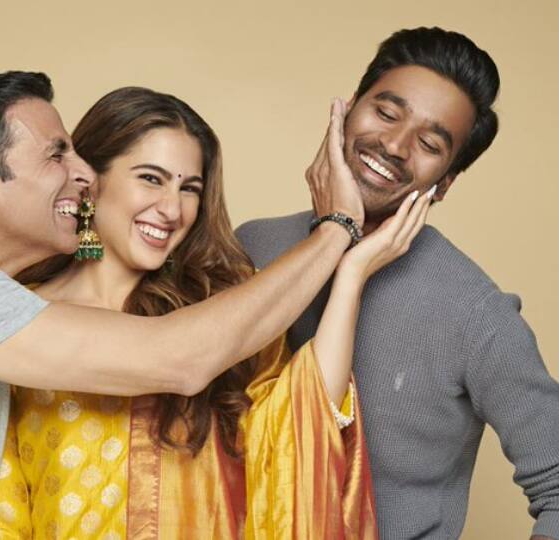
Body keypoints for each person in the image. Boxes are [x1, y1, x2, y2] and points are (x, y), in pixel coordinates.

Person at [0, 70, 376, 538]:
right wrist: (336, 229)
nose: (82, 174)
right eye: (57, 154)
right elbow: (180, 358)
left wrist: (348, 275)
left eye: (189, 187)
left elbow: (293, 433)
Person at [0, 86, 432, 539]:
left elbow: (301, 424)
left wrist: (351, 274)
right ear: (89, 178)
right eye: (151, 178)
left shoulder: (217, 312)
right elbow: (1, 509)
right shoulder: (20, 318)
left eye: (189, 189)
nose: (171, 209)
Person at [236, 27, 559, 540]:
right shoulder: (251, 247)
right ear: (347, 110)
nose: (393, 145)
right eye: (386, 113)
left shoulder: (475, 314)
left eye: (429, 144)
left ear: (444, 183)